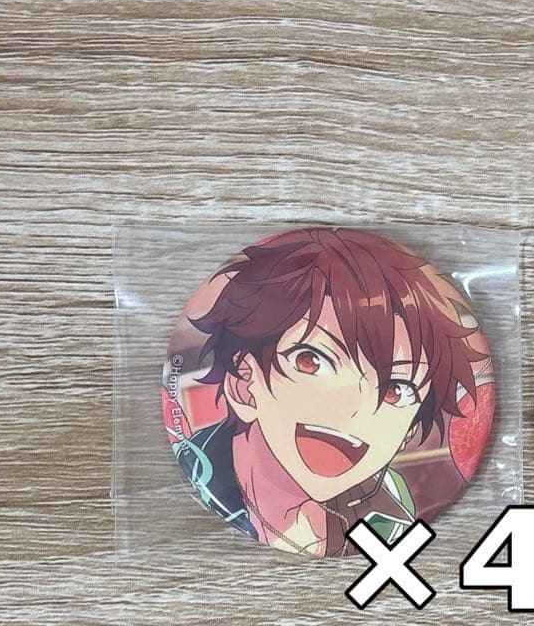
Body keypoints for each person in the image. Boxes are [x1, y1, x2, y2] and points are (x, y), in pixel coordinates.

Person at [175, 227, 487, 557]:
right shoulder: (200, 475)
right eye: (311, 361)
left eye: (395, 390)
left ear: (408, 430)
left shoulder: (392, 505)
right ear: (244, 382)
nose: (353, 411)